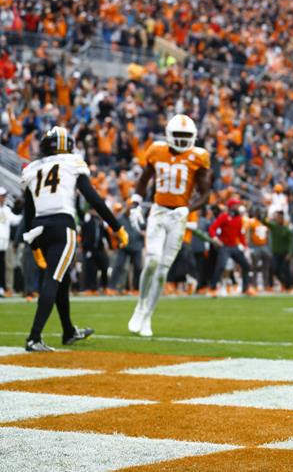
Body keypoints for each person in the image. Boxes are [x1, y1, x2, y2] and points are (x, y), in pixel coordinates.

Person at [21, 126, 127, 351]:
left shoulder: (31, 169)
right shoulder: (72, 163)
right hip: (62, 227)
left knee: (62, 279)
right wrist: (116, 227)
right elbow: (94, 200)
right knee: (53, 279)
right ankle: (34, 337)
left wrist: (33, 246)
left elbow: (28, 213)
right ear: (68, 146)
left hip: (39, 228)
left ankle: (68, 331)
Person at [129, 114, 211, 337]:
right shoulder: (156, 150)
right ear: (168, 136)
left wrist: (188, 208)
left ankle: (148, 316)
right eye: (179, 136)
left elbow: (206, 194)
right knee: (152, 260)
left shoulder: (199, 157)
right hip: (158, 211)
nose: (183, 140)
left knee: (163, 271)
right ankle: (140, 305)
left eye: (187, 136)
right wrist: (135, 203)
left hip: (178, 217)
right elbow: (144, 180)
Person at [209, 197, 252, 296]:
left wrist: (245, 246)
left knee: (246, 265)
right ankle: (213, 288)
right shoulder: (223, 217)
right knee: (221, 266)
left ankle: (246, 288)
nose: (237, 207)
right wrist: (215, 238)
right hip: (224, 246)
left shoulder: (239, 218)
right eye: (235, 205)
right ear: (231, 206)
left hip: (234, 246)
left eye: (238, 205)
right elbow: (212, 228)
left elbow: (240, 235)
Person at [0, 187, 22, 297]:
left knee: (6, 266)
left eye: (4, 196)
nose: (3, 198)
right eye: (2, 196)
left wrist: (24, 215)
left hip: (4, 242)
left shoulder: (7, 209)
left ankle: (6, 288)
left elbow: (14, 220)